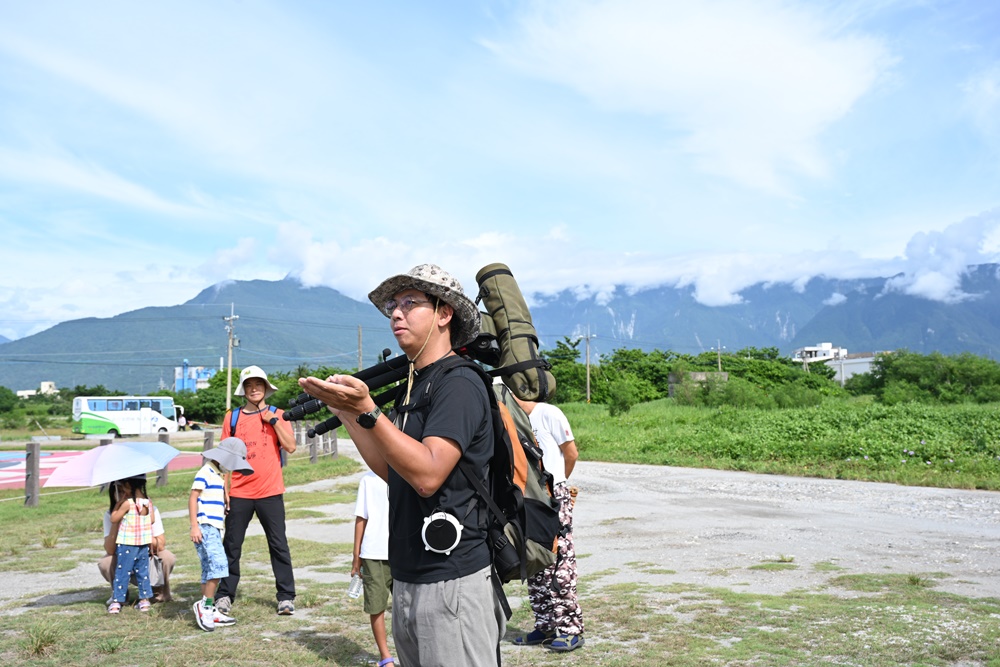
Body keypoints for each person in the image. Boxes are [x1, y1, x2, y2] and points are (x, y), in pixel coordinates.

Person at [299, 264, 504, 667]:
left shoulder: (458, 382)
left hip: (452, 579)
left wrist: (369, 410)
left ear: (444, 314)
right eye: (393, 305)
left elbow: (427, 476)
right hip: (409, 574)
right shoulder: (415, 384)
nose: (396, 313)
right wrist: (346, 412)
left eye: (410, 303)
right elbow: (393, 471)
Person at [215, 365, 298, 617]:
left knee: (278, 544)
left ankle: (285, 597)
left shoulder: (278, 414)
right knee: (232, 545)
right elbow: (225, 457)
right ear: (244, 390)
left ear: (265, 388)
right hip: (239, 492)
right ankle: (225, 595)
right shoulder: (233, 418)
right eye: (249, 385)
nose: (254, 389)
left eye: (258, 384)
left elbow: (291, 446)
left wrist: (272, 421)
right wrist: (224, 488)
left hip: (270, 491)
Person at [511, 397, 584, 652]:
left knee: (561, 562)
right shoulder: (510, 418)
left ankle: (571, 630)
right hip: (529, 496)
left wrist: (557, 485)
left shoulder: (548, 413)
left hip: (554, 494)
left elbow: (571, 453)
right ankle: (544, 626)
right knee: (535, 559)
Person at [190, 437, 253, 632]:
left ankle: (209, 608)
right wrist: (194, 525)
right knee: (219, 566)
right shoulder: (206, 472)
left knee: (209, 570)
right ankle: (205, 607)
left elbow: (214, 494)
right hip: (205, 526)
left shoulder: (218, 474)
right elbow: (193, 497)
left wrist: (224, 498)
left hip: (215, 527)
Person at [99, 475, 176, 606]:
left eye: (124, 490)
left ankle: (159, 591)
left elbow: (161, 545)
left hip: (145, 555)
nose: (124, 496)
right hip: (124, 558)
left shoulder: (149, 508)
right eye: (119, 492)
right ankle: (120, 594)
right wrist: (118, 521)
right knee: (106, 562)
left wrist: (140, 533)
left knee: (167, 557)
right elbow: (110, 550)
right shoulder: (111, 514)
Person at [352, 471, 395, 667]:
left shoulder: (405, 474)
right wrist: (356, 557)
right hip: (374, 554)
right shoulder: (368, 480)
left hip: (403, 553)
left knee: (408, 607)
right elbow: (361, 518)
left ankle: (410, 649)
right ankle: (385, 657)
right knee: (377, 606)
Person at [107, 473, 156, 614]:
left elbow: (113, 518)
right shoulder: (148, 502)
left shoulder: (127, 503)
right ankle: (144, 600)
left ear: (129, 485)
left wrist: (118, 504)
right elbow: (151, 520)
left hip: (127, 543)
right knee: (143, 572)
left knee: (122, 572)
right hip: (143, 543)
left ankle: (117, 601)